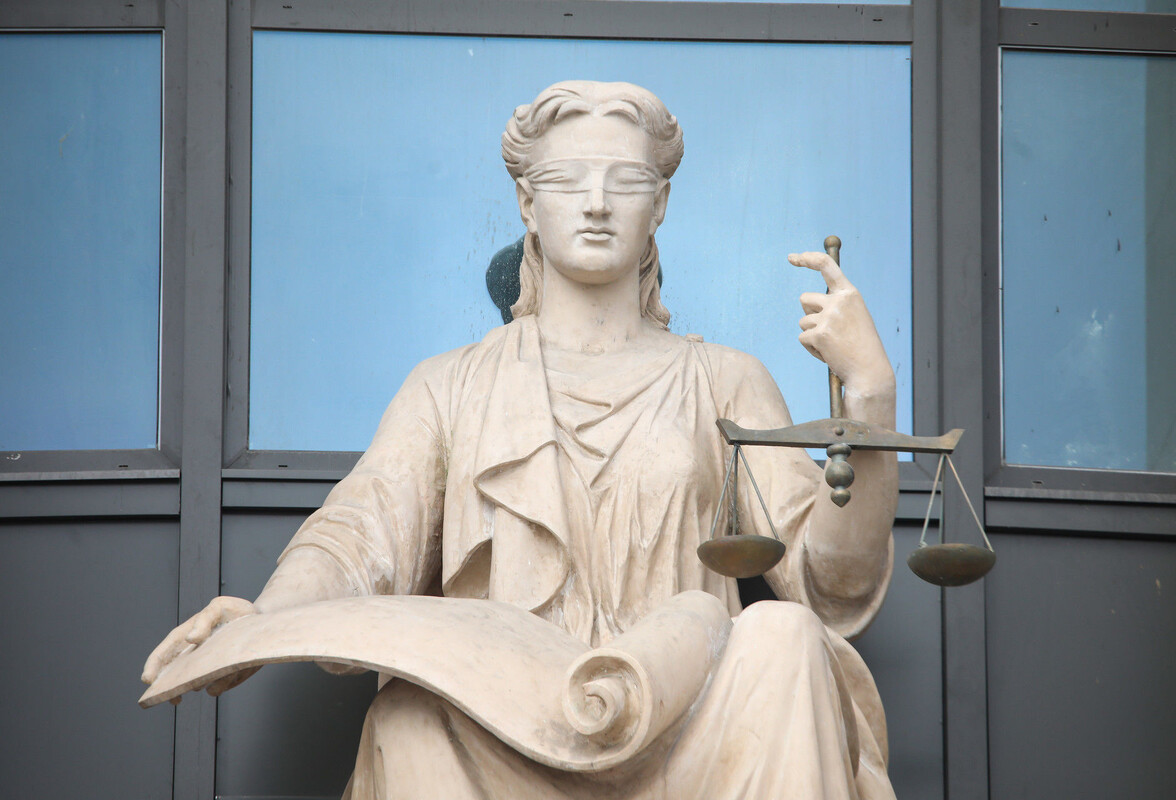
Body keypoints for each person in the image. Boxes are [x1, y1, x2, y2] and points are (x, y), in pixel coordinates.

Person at [143, 80, 899, 799]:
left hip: (687, 718)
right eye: (568, 180)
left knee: (784, 636)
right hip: (502, 721)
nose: (597, 203)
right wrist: (264, 616)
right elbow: (360, 532)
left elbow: (831, 582)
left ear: (660, 204)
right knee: (409, 715)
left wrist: (870, 393)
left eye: (626, 181)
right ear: (527, 203)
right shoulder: (450, 386)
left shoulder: (726, 380)